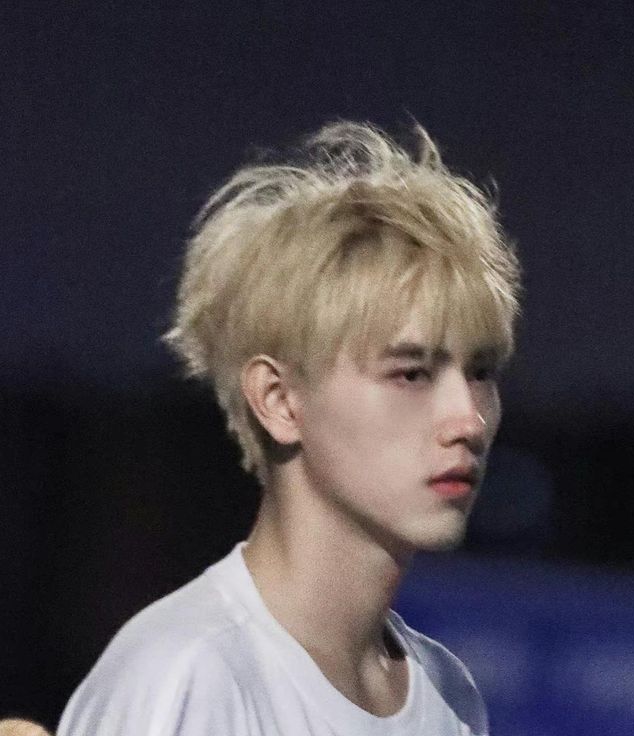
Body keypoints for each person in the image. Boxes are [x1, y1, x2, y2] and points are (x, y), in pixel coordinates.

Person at [57, 121, 521, 735]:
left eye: (482, 371)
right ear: (278, 400)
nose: (468, 418)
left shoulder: (449, 697)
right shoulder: (187, 677)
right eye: (411, 374)